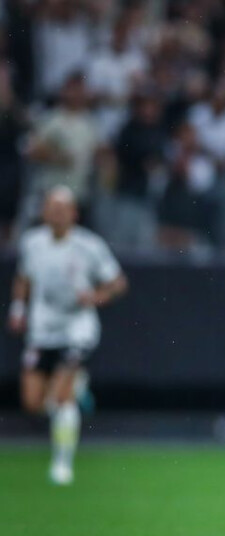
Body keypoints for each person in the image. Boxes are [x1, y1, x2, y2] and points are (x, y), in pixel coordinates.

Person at [7, 186, 127, 485]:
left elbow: (117, 282)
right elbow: (23, 278)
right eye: (51, 208)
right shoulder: (32, 243)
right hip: (42, 328)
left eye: (62, 209)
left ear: (73, 213)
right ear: (44, 212)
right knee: (33, 402)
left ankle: (62, 463)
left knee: (61, 397)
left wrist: (96, 297)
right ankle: (79, 392)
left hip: (77, 328)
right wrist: (18, 309)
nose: (57, 214)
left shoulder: (89, 245)